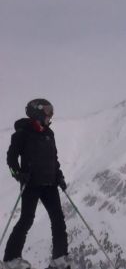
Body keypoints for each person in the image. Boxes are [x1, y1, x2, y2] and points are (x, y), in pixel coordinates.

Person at [3, 99, 72, 269]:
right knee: (26, 219)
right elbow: (11, 159)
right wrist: (18, 174)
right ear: (38, 113)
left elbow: (53, 159)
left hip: (50, 184)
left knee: (58, 219)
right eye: (48, 111)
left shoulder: (50, 134)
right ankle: (11, 259)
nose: (51, 115)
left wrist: (59, 176)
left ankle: (59, 259)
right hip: (31, 184)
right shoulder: (22, 133)